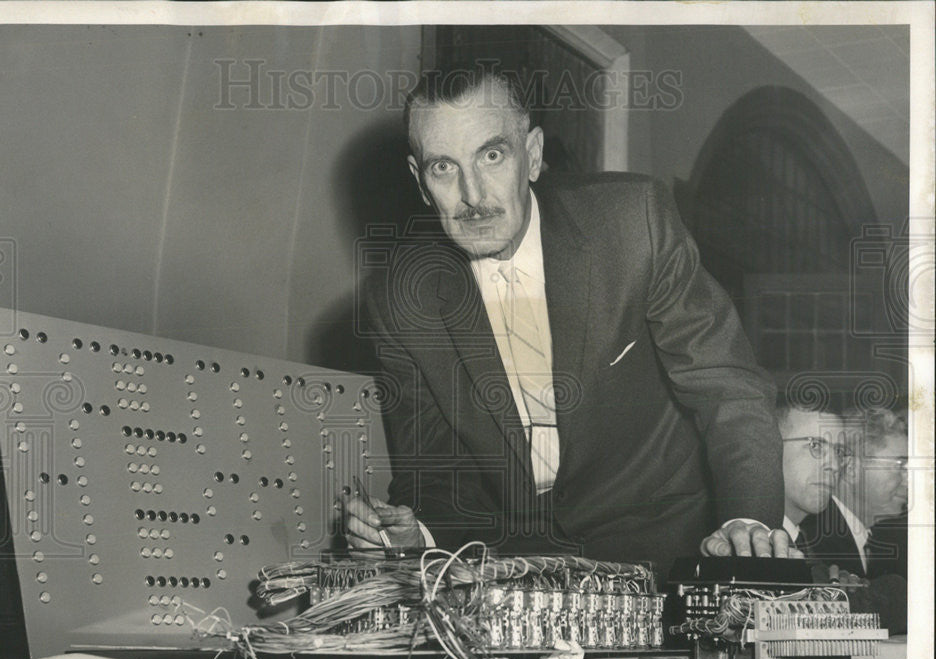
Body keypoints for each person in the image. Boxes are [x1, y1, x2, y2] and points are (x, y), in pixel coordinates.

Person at [345, 65, 784, 582]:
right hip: (512, 572)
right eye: (444, 167)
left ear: (531, 156)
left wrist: (746, 520)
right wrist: (413, 534)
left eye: (491, 155)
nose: (472, 194)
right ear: (421, 183)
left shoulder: (631, 222)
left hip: (666, 550)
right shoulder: (396, 299)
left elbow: (727, 389)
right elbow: (434, 476)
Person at [700, 399, 846, 559]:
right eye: (816, 445)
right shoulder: (730, 538)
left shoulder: (807, 545)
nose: (835, 465)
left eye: (839, 452)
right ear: (771, 449)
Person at [802, 408, 908, 579]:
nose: (909, 480)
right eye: (899, 465)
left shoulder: (884, 541)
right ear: (851, 469)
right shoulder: (811, 543)